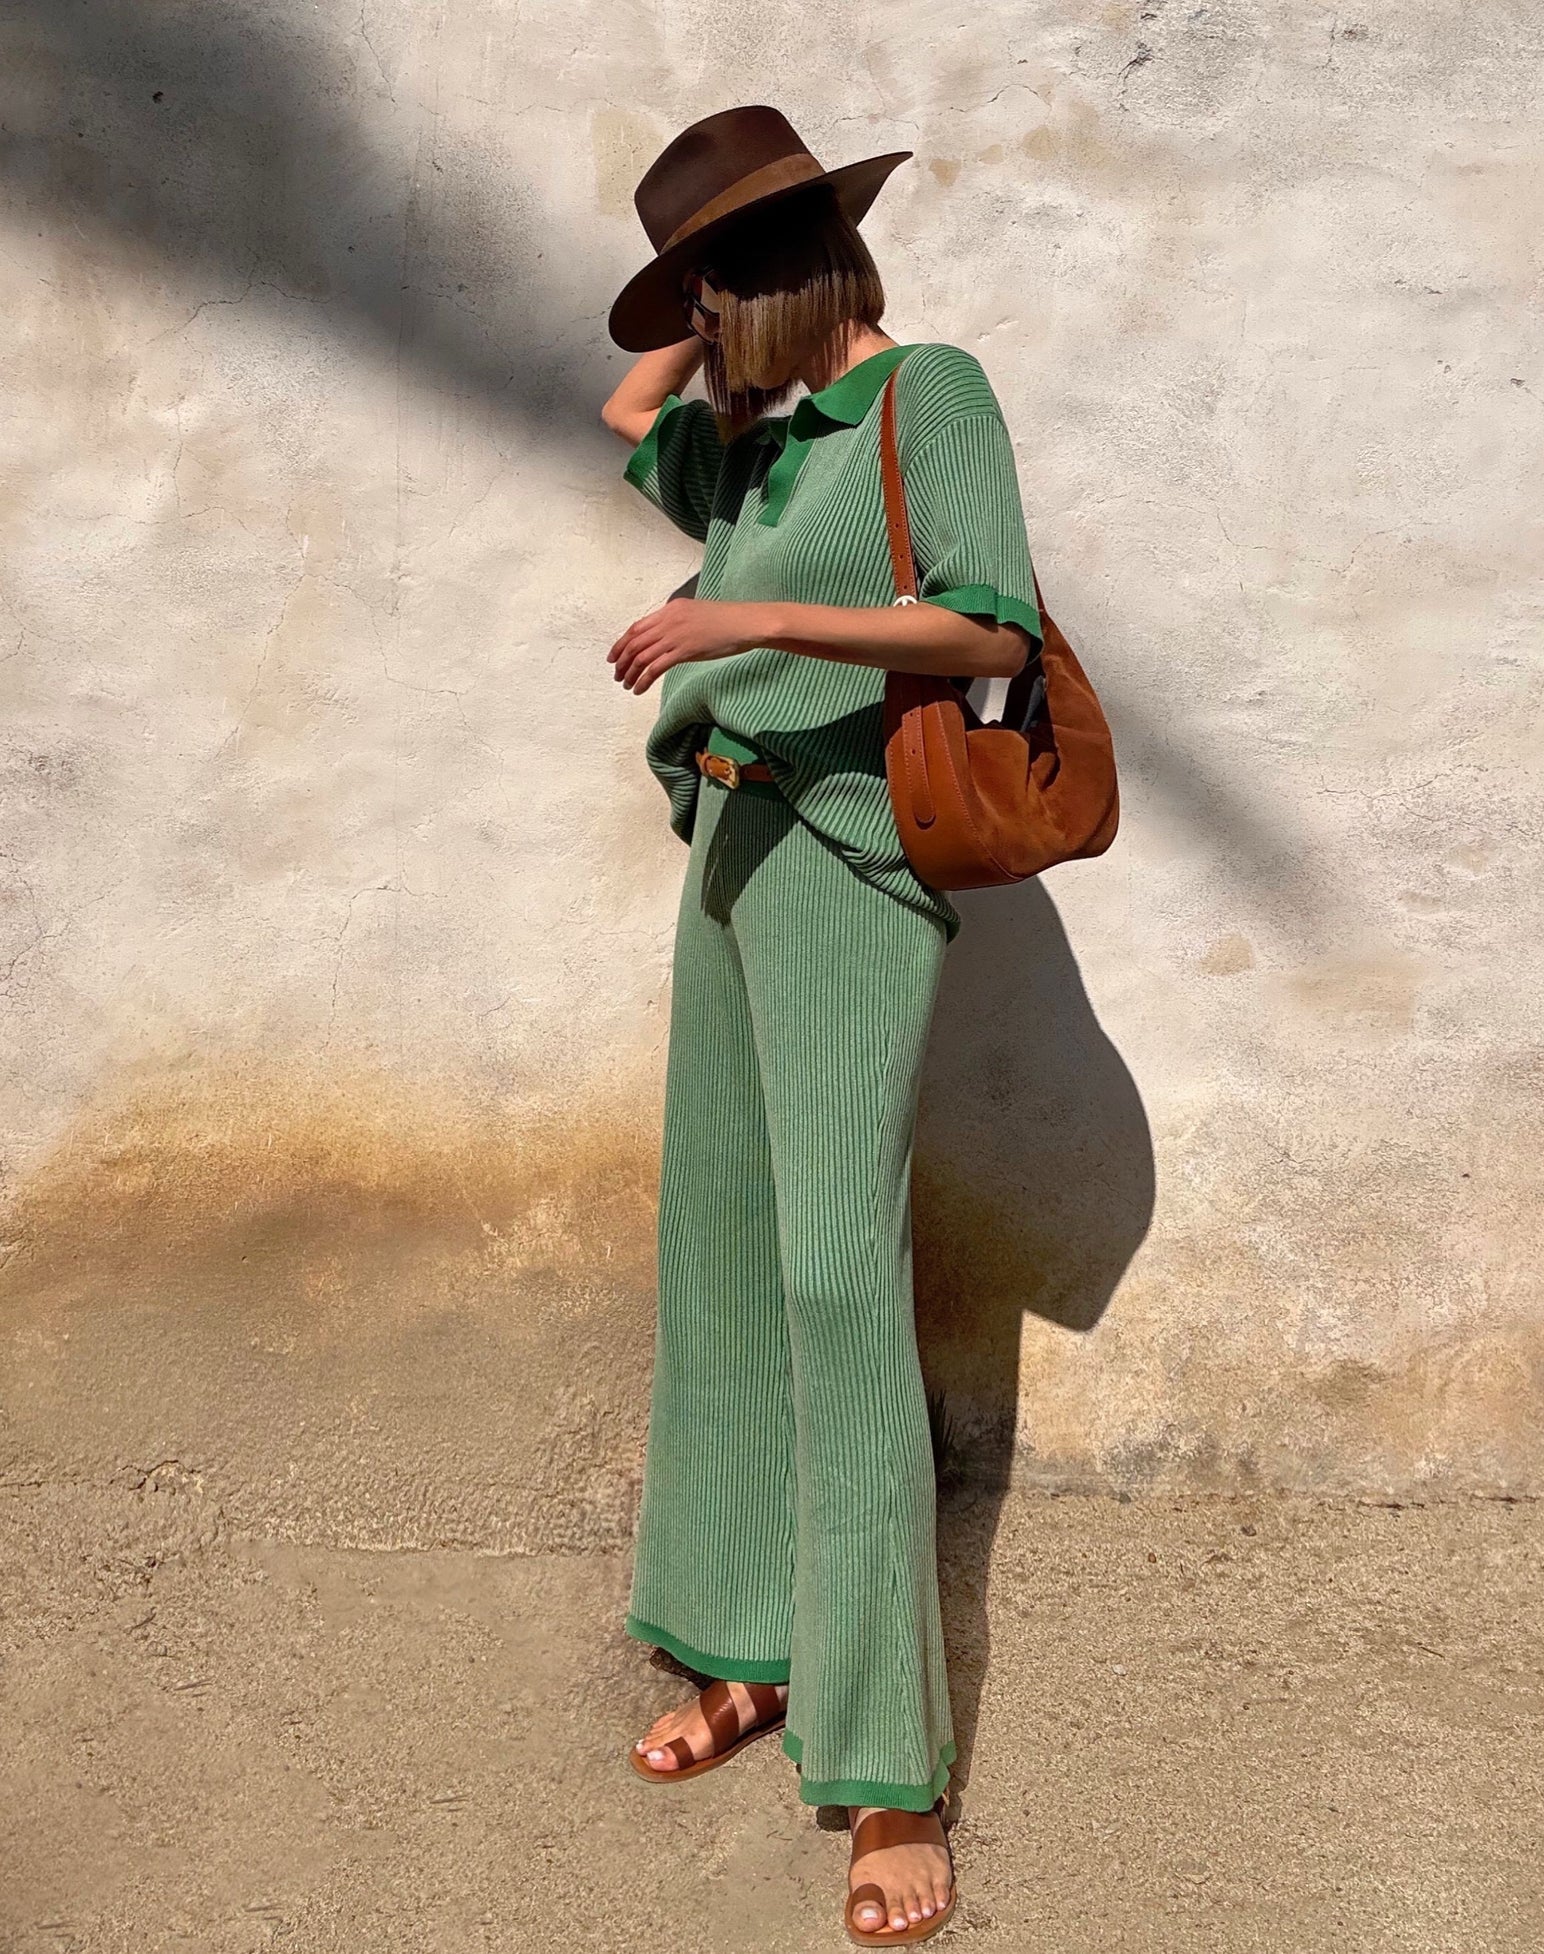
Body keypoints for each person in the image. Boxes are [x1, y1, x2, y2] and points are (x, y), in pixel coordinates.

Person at [599, 105, 1043, 1946]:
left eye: (718, 285)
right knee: (720, 1253)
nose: (697, 324)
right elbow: (623, 404)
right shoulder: (758, 438)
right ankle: (748, 1644)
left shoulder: (930, 399)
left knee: (842, 1280)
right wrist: (697, 316)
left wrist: (745, 620)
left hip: (851, 868)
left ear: (787, 273)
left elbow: (989, 632)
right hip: (727, 847)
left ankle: (887, 1771)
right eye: (691, 291)